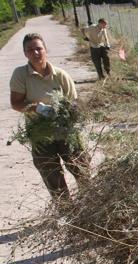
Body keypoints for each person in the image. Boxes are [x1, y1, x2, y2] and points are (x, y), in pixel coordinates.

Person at [10, 33, 91, 201]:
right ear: (25, 54)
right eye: (30, 50)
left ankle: (89, 207)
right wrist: (37, 108)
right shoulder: (20, 75)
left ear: (46, 50)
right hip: (41, 135)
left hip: (66, 131)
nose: (35, 53)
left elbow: (75, 103)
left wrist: (67, 112)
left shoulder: (60, 75)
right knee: (52, 177)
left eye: (39, 48)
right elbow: (16, 103)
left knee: (82, 170)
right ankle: (66, 212)